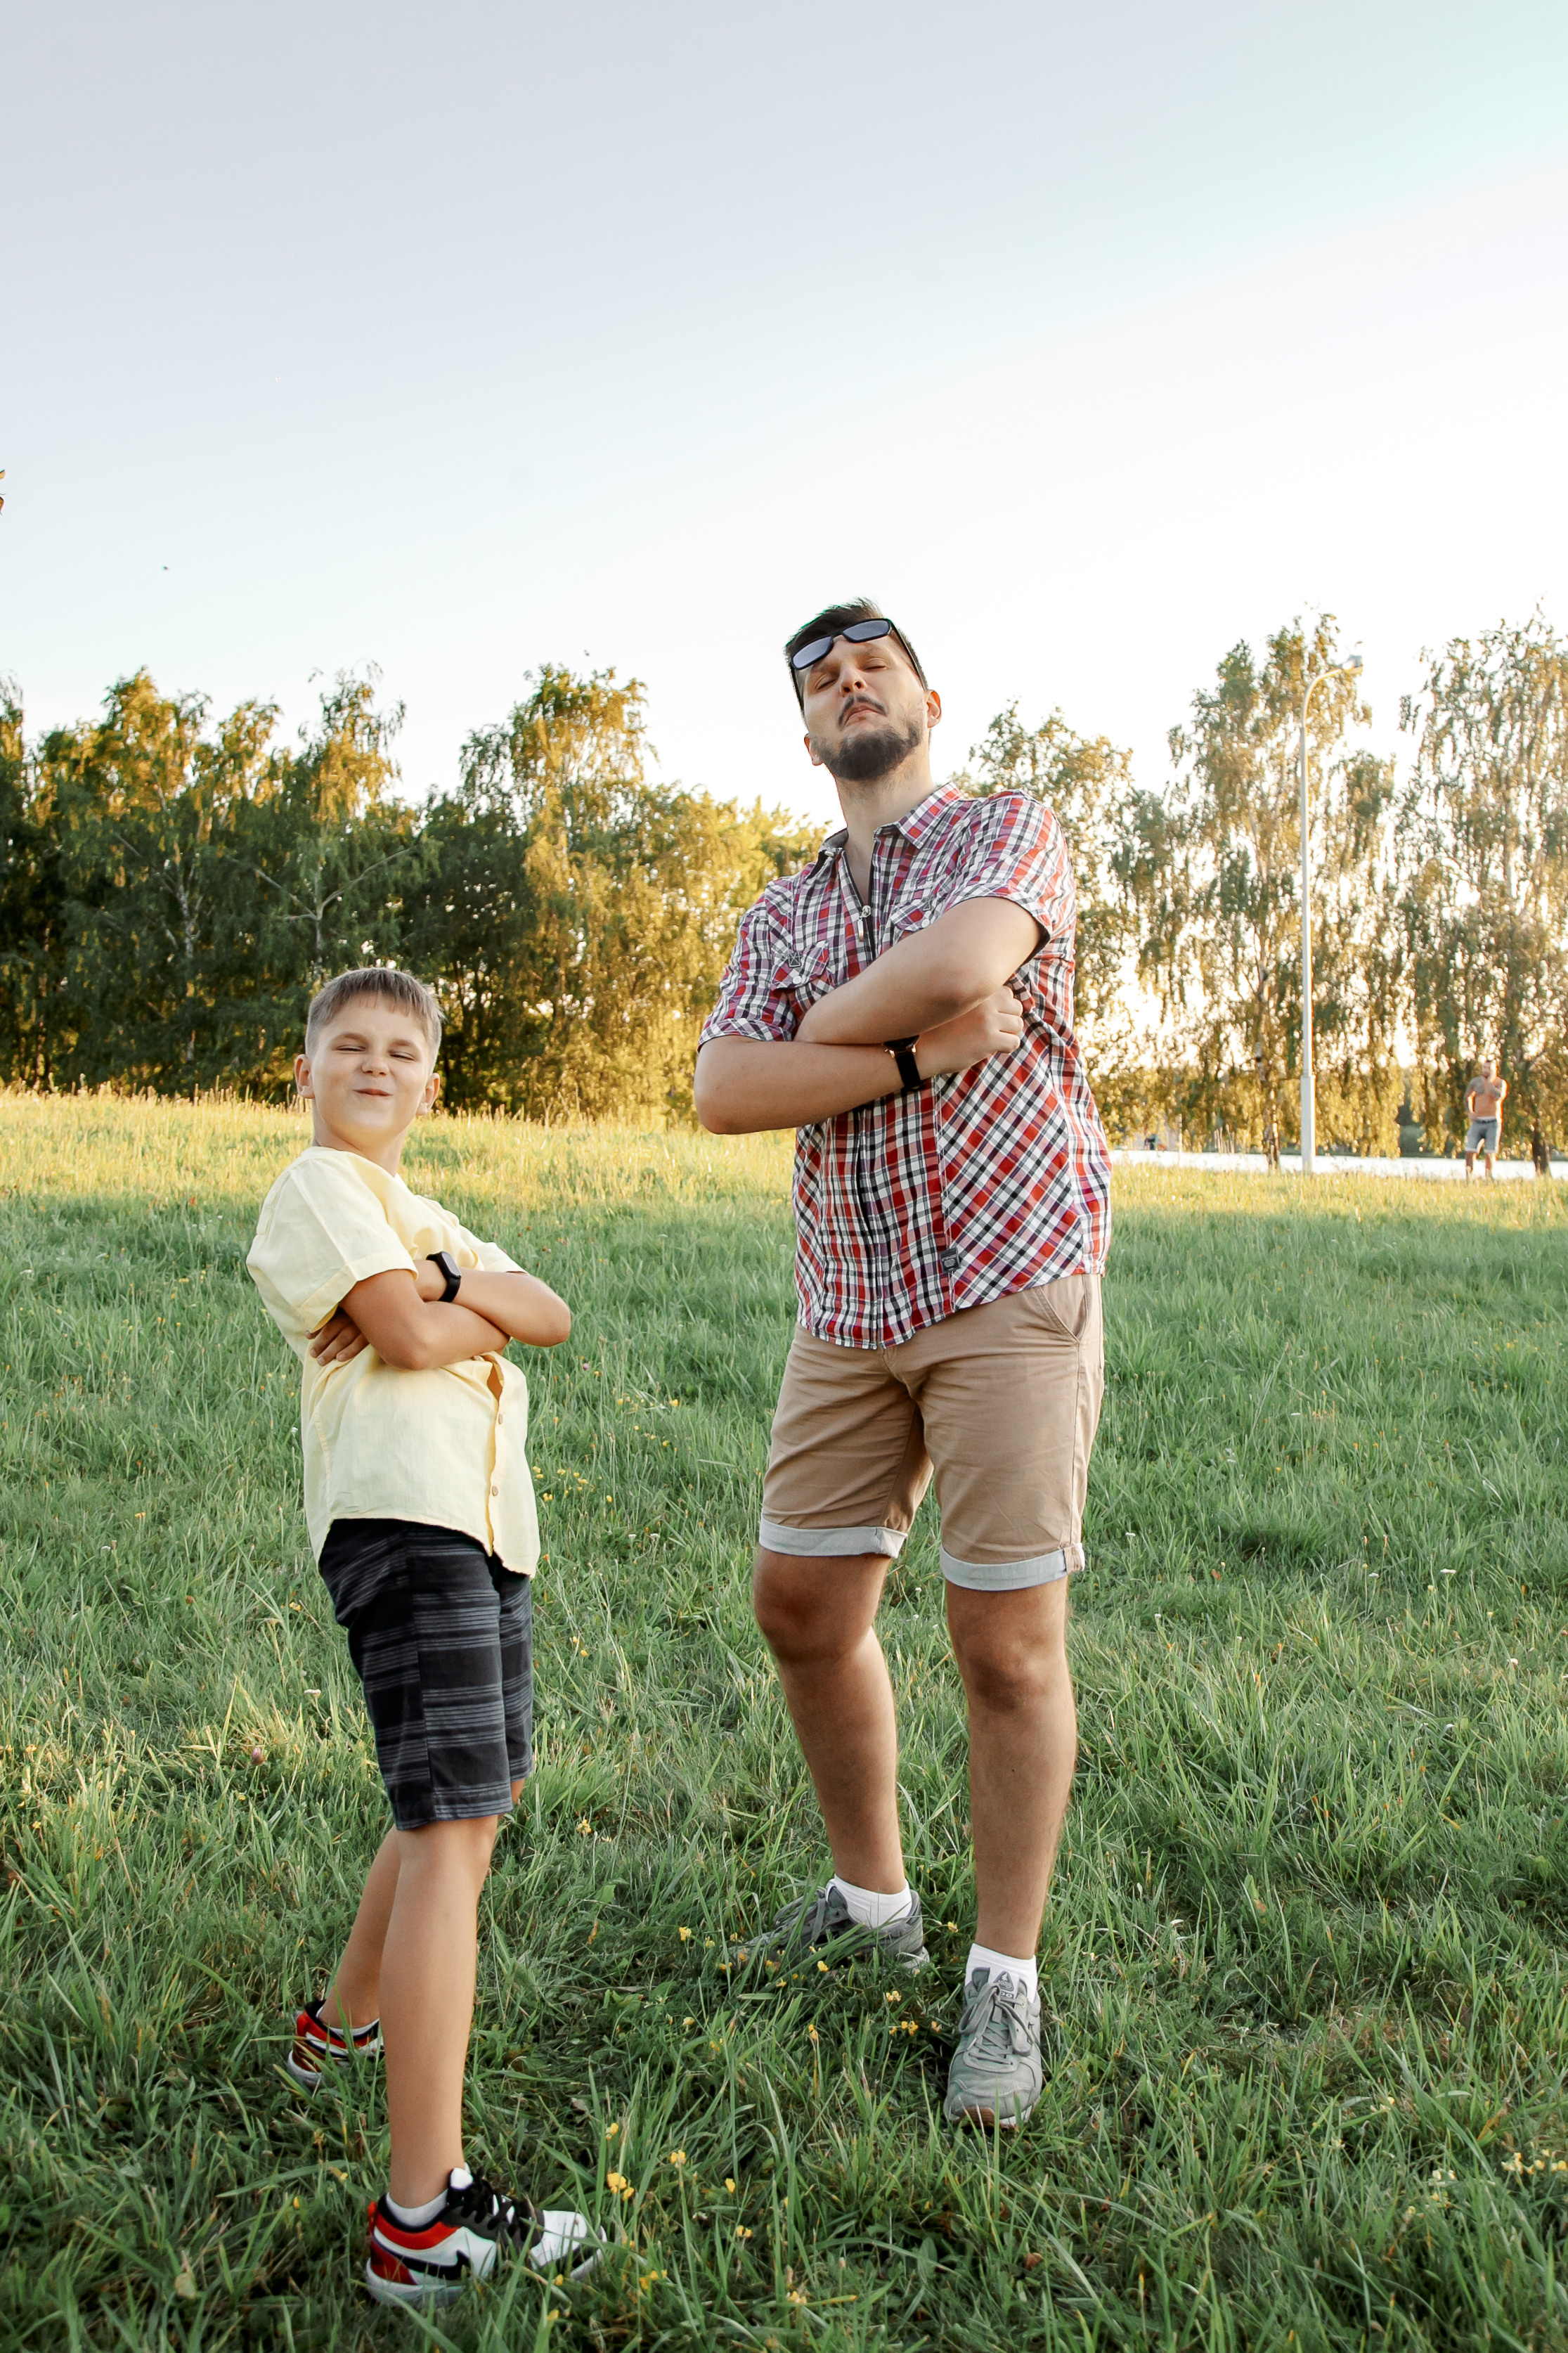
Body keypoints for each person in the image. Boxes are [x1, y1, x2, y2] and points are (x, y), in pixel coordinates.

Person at [694, 600, 1111, 2129]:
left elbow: (968, 954)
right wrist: (918, 1049)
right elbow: (724, 1087)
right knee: (800, 1604)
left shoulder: (1002, 825)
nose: (844, 681)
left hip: (1009, 1268)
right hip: (848, 1294)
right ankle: (872, 1899)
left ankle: (1004, 1971)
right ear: (805, 734)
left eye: (868, 661)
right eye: (817, 678)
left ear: (924, 695)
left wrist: (823, 1035)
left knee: (1004, 1640)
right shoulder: (779, 909)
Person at [247, 967, 597, 2308]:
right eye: (350, 1046)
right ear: (309, 1070)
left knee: (465, 1802)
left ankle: (338, 2030)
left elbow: (552, 1310)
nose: (377, 1065)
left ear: (432, 1083)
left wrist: (453, 1279)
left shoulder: (420, 1214)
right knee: (451, 1826)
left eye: (402, 1049)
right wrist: (471, 1307)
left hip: (484, 1524)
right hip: (404, 1521)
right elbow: (396, 1335)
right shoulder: (320, 1186)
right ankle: (421, 2220)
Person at [1465, 1060, 1507, 1178]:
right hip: (1478, 1122)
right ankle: (1468, 1177)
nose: (1486, 1070)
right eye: (1484, 1067)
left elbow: (1498, 1097)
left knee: (1489, 1153)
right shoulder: (1476, 1082)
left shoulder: (1500, 1083)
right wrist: (1470, 1111)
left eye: (1489, 1068)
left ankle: (1488, 1177)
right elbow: (1467, 1096)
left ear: (1495, 1070)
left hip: (1493, 1122)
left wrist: (1489, 1084)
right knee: (1470, 1150)